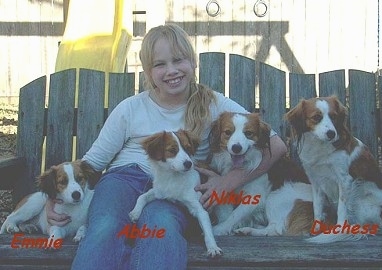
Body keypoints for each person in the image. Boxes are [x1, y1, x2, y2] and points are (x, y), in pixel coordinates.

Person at [46, 24, 287, 270]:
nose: (171, 70)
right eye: (160, 64)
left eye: (178, 60)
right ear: (148, 72)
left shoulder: (214, 104)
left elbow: (277, 147)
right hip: (124, 179)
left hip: (178, 185)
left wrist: (228, 182)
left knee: (161, 223)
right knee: (106, 225)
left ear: (193, 62)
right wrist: (53, 197)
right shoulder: (130, 108)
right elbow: (91, 165)